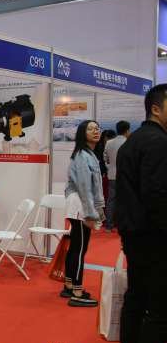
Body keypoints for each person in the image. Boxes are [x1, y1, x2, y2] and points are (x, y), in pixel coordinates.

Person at [116, 84, 167, 343]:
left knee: (136, 300)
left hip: (135, 237)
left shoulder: (131, 144)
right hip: (157, 238)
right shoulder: (159, 143)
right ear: (156, 108)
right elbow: (157, 196)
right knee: (160, 310)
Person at [62, 120, 105, 308]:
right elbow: (85, 188)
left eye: (97, 128)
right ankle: (77, 293)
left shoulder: (87, 154)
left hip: (79, 205)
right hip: (81, 205)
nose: (96, 131)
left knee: (75, 248)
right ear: (82, 133)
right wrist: (90, 214)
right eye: (90, 129)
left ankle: (69, 285)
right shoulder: (83, 156)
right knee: (79, 249)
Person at [103, 120, 130, 231]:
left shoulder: (109, 143)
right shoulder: (129, 142)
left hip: (112, 175)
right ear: (127, 130)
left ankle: (109, 226)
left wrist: (109, 167)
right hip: (126, 176)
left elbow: (105, 158)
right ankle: (122, 225)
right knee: (125, 201)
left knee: (111, 201)